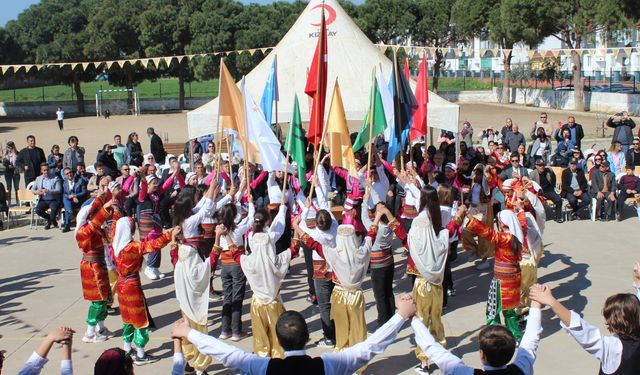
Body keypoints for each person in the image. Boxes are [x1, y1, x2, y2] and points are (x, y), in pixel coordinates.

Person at [171, 294, 417, 375]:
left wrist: (189, 332)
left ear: (277, 340)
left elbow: (228, 353)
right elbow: (369, 347)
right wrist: (400, 316)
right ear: (308, 337)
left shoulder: (266, 367)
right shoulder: (328, 364)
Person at [529, 263, 640, 375]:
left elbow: (579, 328)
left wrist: (551, 301)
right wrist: (637, 278)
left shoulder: (612, 349)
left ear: (612, 320)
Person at [412, 285, 543, 375]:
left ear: (482, 355)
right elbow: (531, 339)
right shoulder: (521, 369)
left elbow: (436, 351)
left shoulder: (465, 373)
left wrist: (412, 317)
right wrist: (536, 304)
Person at [111, 216, 178, 365]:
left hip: (121, 286)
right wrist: (170, 234)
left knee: (128, 319)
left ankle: (127, 349)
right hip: (132, 287)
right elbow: (154, 245)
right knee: (140, 320)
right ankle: (141, 354)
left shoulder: (115, 246)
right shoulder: (133, 247)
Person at [173, 178, 221, 374]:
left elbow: (202, 205)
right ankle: (198, 365)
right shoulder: (190, 221)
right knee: (196, 317)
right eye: (193, 197)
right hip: (191, 266)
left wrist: (211, 189)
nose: (196, 199)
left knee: (187, 313)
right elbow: (205, 211)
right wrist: (211, 189)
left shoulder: (184, 217)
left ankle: (188, 360)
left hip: (183, 268)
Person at [237, 204, 294, 358]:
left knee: (260, 333)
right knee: (278, 331)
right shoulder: (272, 248)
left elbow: (236, 254)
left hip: (257, 300)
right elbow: (290, 249)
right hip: (273, 299)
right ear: (267, 222)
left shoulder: (250, 249)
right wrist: (283, 210)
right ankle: (278, 357)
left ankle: (262, 358)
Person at [465, 209, 524, 341]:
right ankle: (515, 336)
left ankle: (493, 336)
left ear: (502, 224)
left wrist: (471, 218)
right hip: (513, 278)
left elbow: (488, 233)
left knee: (493, 309)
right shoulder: (517, 237)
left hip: (501, 281)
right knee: (509, 311)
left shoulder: (505, 238)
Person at [75, 194, 114, 343]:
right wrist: (105, 206)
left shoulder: (97, 229)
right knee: (97, 300)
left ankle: (101, 328)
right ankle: (89, 333)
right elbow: (95, 223)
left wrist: (102, 197)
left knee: (104, 298)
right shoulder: (83, 231)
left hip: (100, 265)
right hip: (91, 267)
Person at [214, 198, 255, 341]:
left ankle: (225, 330)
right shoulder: (237, 229)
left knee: (227, 297)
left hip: (224, 265)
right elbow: (250, 219)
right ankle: (236, 331)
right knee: (237, 298)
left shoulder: (219, 229)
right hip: (237, 265)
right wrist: (250, 203)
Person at [31, 163, 62, 230]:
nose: (46, 172)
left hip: (53, 199)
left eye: (47, 170)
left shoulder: (55, 178)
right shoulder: (38, 178)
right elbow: (32, 189)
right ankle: (50, 219)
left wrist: (48, 191)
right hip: (43, 199)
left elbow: (59, 190)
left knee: (54, 209)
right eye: (44, 170)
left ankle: (51, 220)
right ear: (41, 171)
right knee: (37, 210)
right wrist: (37, 192)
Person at [61, 167, 88, 232]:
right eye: (67, 174)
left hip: (79, 201)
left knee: (66, 203)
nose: (69, 174)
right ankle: (70, 213)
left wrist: (75, 196)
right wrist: (72, 197)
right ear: (65, 175)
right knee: (65, 198)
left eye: (70, 172)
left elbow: (84, 192)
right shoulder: (65, 183)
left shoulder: (80, 180)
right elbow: (65, 194)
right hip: (71, 202)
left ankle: (67, 224)